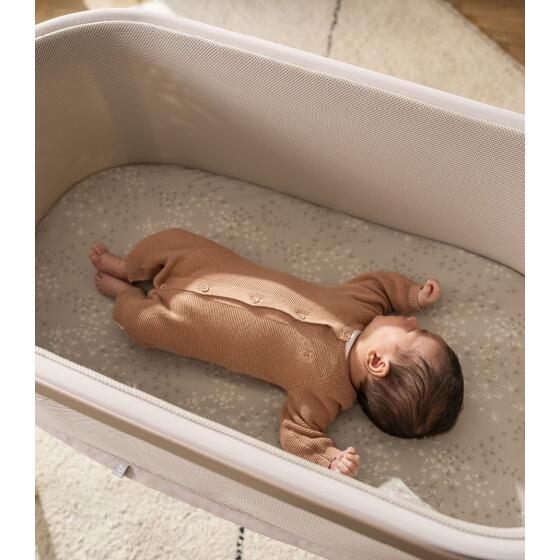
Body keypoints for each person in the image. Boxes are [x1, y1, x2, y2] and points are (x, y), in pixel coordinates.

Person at [89, 228, 463, 478]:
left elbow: (295, 432)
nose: (411, 320)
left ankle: (126, 295)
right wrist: (412, 294)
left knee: (143, 326)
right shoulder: (364, 306)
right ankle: (128, 265)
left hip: (189, 323)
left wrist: (328, 458)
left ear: (377, 362)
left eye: (415, 331)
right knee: (175, 240)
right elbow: (380, 285)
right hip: (214, 268)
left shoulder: (326, 392)